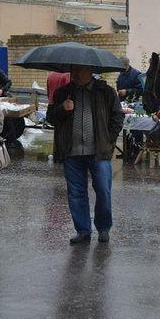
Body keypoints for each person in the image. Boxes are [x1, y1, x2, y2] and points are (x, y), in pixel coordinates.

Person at [46, 65, 124, 245]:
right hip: (71, 152)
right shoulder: (62, 93)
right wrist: (62, 109)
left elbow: (117, 117)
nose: (74, 74)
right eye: (72, 70)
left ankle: (103, 228)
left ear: (90, 71)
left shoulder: (106, 92)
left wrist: (109, 140)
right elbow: (50, 118)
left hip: (99, 152)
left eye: (79, 70)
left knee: (103, 190)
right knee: (76, 193)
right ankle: (83, 230)